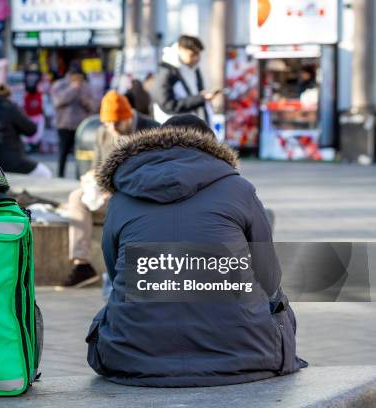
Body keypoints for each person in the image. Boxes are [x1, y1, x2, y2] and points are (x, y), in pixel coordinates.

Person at [86, 114, 307, 386]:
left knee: (110, 308)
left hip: (131, 359)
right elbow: (270, 278)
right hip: (247, 355)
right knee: (277, 301)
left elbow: (112, 266)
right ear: (213, 150)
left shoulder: (122, 196)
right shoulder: (239, 188)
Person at [63, 90, 158, 287]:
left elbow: (153, 174)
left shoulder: (151, 130)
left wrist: (113, 183)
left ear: (128, 116)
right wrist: (92, 178)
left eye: (117, 123)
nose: (113, 128)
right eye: (108, 123)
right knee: (76, 197)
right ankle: (82, 265)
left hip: (137, 197)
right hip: (109, 194)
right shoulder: (103, 133)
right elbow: (98, 166)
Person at [0, 84, 52, 177]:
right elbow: (31, 129)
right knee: (45, 174)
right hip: (8, 161)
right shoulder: (8, 107)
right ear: (8, 96)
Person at [150, 35, 220, 126]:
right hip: (172, 129)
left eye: (198, 55)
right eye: (192, 55)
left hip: (191, 127)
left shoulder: (194, 69)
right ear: (180, 49)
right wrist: (200, 99)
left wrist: (202, 98)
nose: (196, 58)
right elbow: (167, 105)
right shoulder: (166, 73)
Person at [51, 64, 98, 177]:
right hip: (64, 125)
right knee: (63, 153)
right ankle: (60, 176)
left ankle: (79, 176)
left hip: (80, 126)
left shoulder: (86, 86)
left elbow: (93, 106)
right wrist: (72, 89)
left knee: (80, 154)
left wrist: (85, 100)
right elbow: (58, 101)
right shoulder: (60, 84)